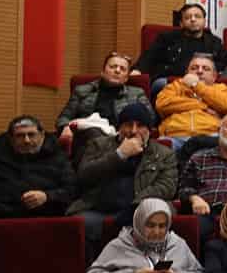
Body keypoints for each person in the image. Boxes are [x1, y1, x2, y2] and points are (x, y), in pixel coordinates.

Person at [68, 104, 175, 242]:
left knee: (153, 219)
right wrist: (119, 155)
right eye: (128, 125)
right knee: (79, 224)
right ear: (119, 128)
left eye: (140, 126)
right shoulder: (98, 145)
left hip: (140, 209)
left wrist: (134, 207)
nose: (133, 131)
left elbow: (166, 186)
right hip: (98, 208)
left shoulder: (164, 153)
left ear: (149, 130)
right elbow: (84, 176)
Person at [0, 117, 75, 229]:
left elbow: (72, 189)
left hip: (42, 220)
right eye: (20, 136)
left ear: (42, 135)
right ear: (10, 138)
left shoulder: (58, 157)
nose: (26, 140)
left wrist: (47, 196)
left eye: (31, 134)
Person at [136, 1, 227, 78]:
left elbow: (224, 62)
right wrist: (138, 70)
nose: (193, 19)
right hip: (170, 80)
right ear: (181, 23)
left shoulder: (214, 42)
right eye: (187, 17)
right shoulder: (167, 38)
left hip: (203, 83)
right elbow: (149, 56)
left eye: (197, 16)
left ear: (204, 21)